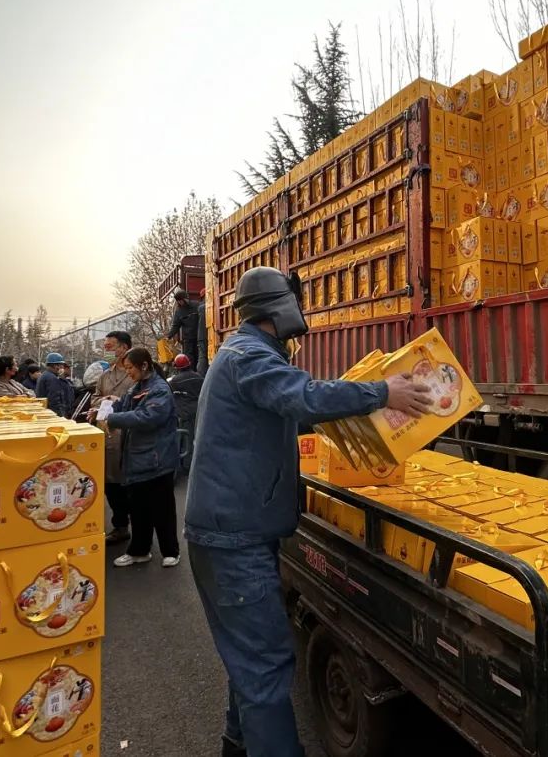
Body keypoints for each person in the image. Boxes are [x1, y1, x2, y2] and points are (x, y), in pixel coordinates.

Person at [185, 266, 432, 757]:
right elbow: (305, 395)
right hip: (234, 540)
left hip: (233, 530)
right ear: (279, 306)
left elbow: (296, 404)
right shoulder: (250, 356)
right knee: (265, 664)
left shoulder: (243, 353)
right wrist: (383, 392)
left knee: (248, 658)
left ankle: (238, 744)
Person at [98, 347, 181, 568]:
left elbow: (148, 417)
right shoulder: (137, 387)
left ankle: (170, 551)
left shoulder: (159, 389)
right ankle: (139, 551)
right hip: (137, 458)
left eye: (130, 368)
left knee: (162, 509)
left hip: (157, 459)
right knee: (138, 509)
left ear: (144, 366)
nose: (128, 372)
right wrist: (108, 406)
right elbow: (125, 404)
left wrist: (113, 419)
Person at [92, 331, 135, 545]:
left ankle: (140, 526)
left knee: (133, 485)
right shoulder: (105, 375)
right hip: (108, 436)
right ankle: (120, 526)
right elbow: (94, 398)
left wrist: (120, 401)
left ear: (124, 347)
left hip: (130, 436)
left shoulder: (135, 373)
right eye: (105, 347)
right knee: (111, 483)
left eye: (110, 347)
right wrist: (103, 400)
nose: (106, 351)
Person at [168, 353, 204, 470]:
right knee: (197, 438)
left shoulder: (175, 381)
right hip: (198, 412)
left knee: (186, 439)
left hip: (184, 414)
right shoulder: (199, 377)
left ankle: (187, 466)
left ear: (177, 367)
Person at [35, 352, 75, 418]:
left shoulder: (44, 375)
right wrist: (61, 416)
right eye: (61, 365)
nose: (62, 368)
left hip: (44, 411)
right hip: (51, 414)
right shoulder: (52, 378)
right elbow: (54, 400)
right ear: (55, 366)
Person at [166, 288, 199, 361]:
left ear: (185, 299)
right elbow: (175, 326)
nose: (180, 302)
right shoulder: (179, 312)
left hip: (198, 338)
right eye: (178, 301)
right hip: (187, 340)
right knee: (189, 359)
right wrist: (169, 336)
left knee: (199, 357)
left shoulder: (196, 306)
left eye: (181, 300)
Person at [196, 288, 209, 376]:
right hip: (210, 335)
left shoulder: (200, 307)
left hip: (201, 336)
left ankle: (201, 376)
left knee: (202, 357)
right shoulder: (211, 305)